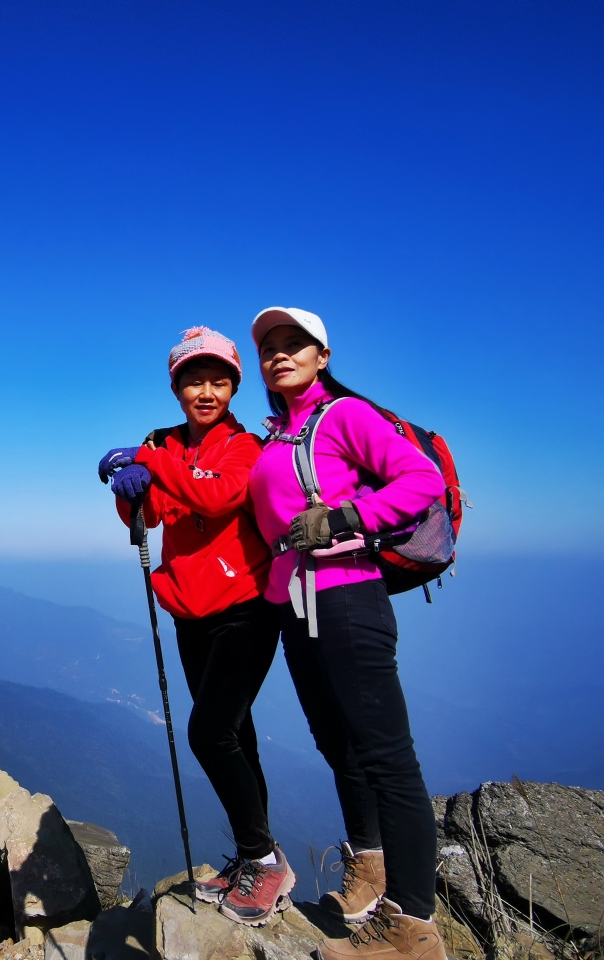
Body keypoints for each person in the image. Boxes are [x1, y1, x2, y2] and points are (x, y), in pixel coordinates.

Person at [247, 307, 445, 960]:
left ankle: (412, 925)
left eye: (294, 344)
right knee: (339, 746)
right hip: (296, 610)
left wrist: (346, 518)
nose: (280, 355)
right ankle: (371, 872)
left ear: (322, 356)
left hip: (348, 603)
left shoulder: (343, 417)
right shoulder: (279, 436)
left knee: (387, 758)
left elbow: (423, 480)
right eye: (269, 347)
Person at [98, 326, 294, 926]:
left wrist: (145, 461)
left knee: (209, 734)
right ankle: (252, 853)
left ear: (234, 386)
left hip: (247, 607)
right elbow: (153, 512)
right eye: (193, 380)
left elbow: (218, 498)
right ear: (177, 386)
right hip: (190, 611)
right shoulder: (164, 443)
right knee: (238, 734)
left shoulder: (245, 446)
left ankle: (265, 860)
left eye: (218, 380)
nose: (206, 391)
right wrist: (128, 490)